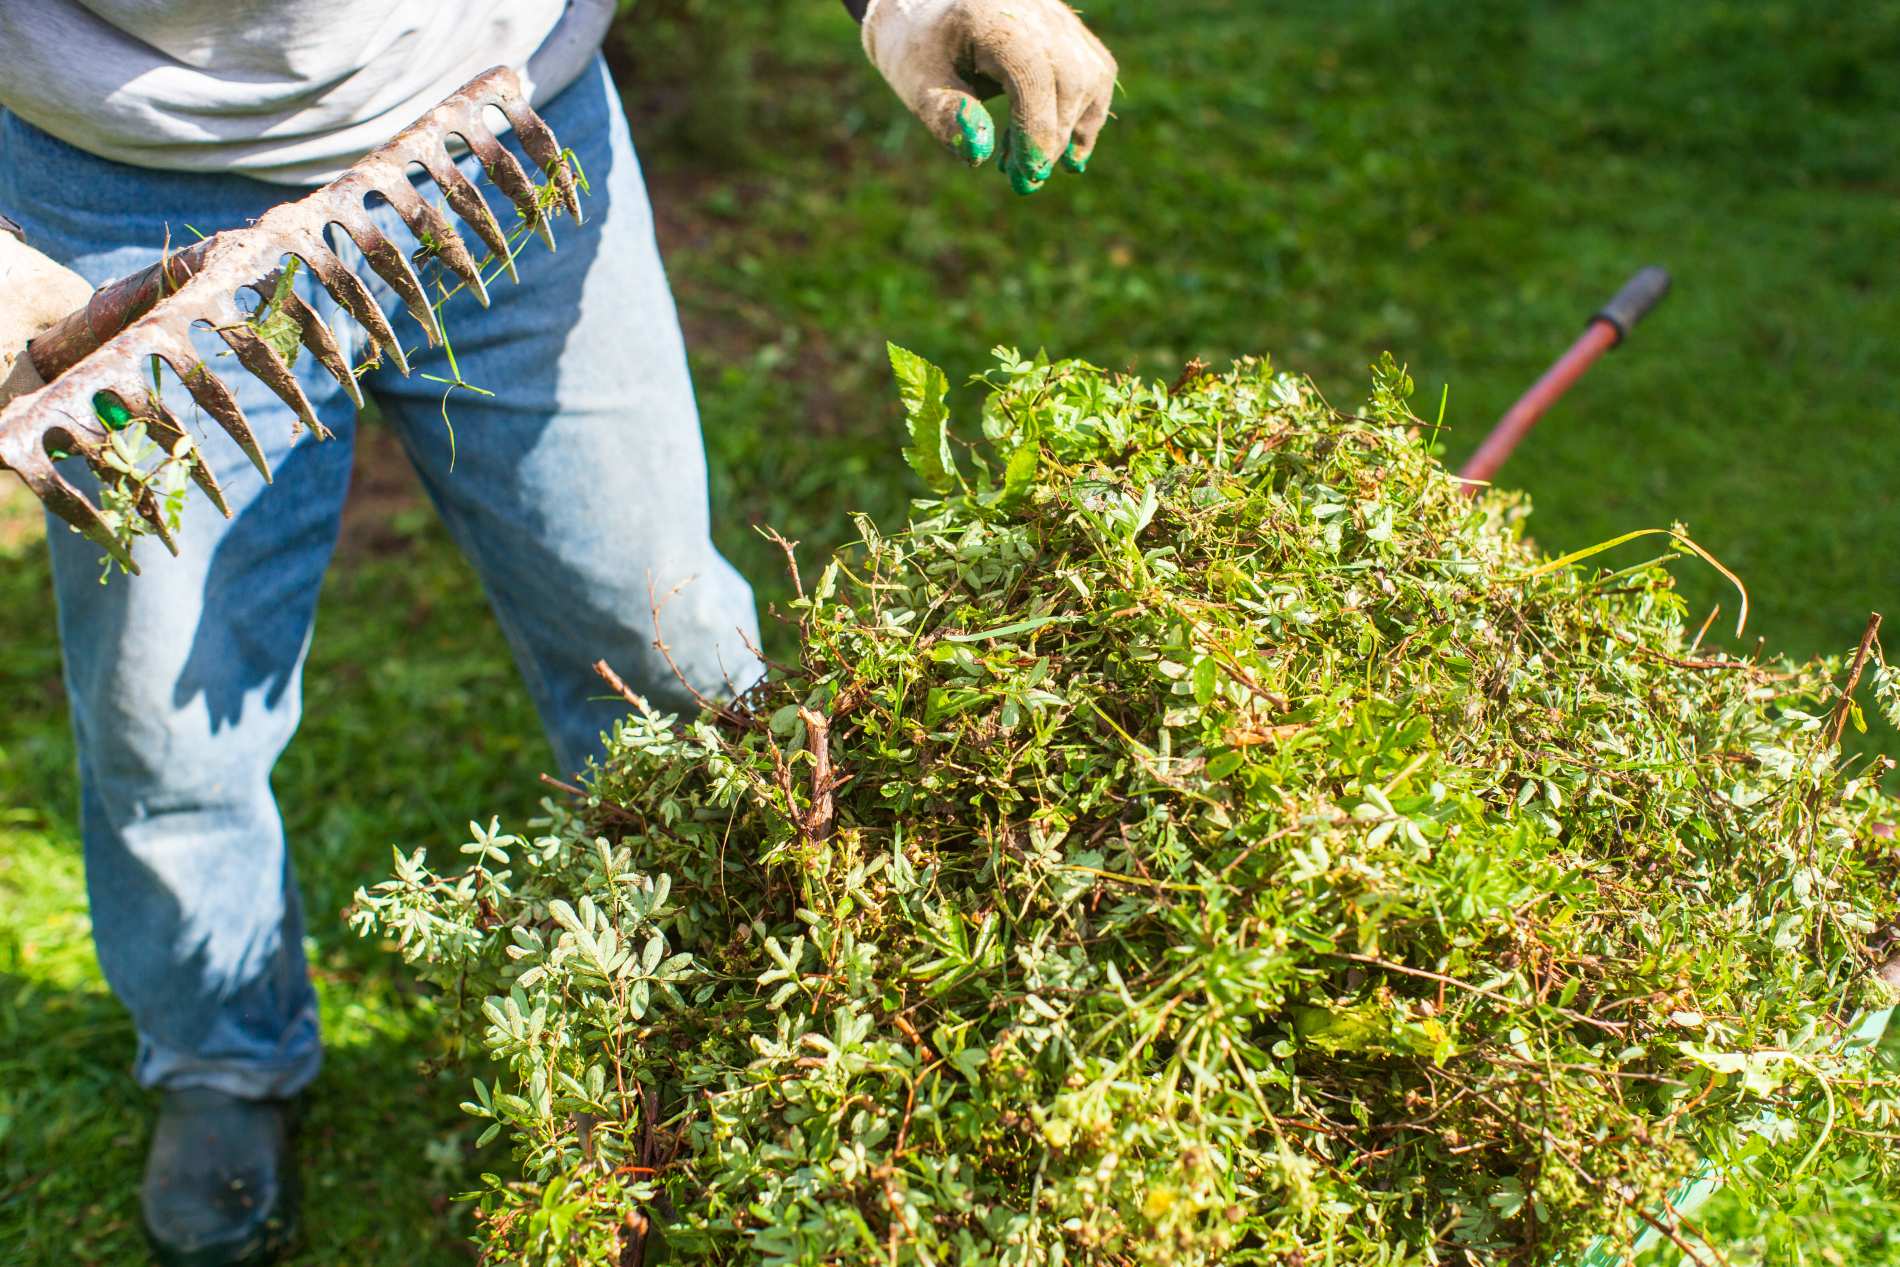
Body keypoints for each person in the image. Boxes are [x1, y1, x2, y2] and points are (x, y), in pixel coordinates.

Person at [0, 2, 1117, 1263]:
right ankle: (221, 1055)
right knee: (165, 727)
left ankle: (727, 1005)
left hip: (503, 127)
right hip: (119, 202)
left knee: (665, 652)